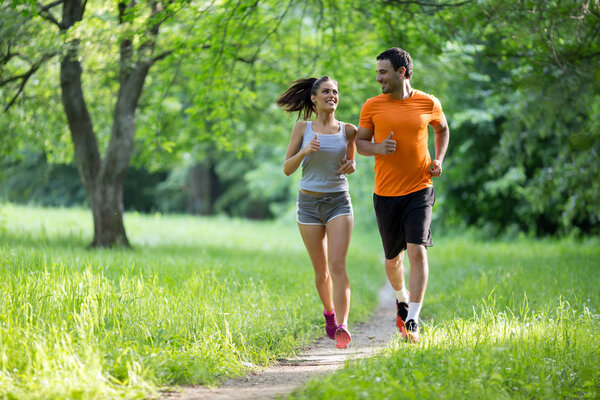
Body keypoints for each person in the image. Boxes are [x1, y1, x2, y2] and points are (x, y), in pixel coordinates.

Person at [356, 47, 450, 343]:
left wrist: (439, 159)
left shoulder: (428, 102)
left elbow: (443, 129)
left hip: (420, 188)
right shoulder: (372, 106)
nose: (378, 78)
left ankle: (412, 319)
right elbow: (360, 143)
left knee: (417, 249)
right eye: (377, 72)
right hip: (385, 193)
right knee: (392, 258)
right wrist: (378, 148)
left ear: (402, 72)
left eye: (383, 72)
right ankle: (401, 297)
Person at [277, 76, 357, 349]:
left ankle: (344, 325)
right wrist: (304, 151)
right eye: (326, 92)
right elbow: (287, 168)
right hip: (309, 205)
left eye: (335, 91)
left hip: (338, 202)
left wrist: (352, 166)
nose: (332, 95)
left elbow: (351, 160)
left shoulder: (348, 130)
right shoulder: (302, 129)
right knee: (322, 272)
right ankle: (330, 314)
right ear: (314, 98)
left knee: (337, 265)